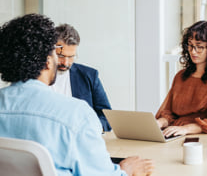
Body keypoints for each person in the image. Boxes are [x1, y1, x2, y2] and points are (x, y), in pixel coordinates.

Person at [0, 14, 154, 176]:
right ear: (48, 61)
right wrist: (125, 170)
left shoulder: (85, 81)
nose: (64, 62)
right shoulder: (76, 115)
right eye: (57, 53)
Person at [156, 21, 207, 137]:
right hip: (175, 132)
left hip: (203, 137)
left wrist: (186, 129)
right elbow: (168, 112)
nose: (193, 51)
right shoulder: (180, 76)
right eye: (190, 45)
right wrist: (159, 123)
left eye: (199, 47)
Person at [50, 23, 112, 131]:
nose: (66, 62)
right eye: (61, 56)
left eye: (71, 57)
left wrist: (90, 129)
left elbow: (107, 117)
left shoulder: (89, 76)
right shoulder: (37, 76)